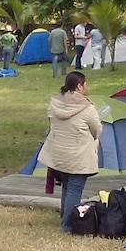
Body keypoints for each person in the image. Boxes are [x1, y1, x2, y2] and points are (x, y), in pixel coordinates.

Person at [38, 71, 102, 233]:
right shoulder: (87, 108)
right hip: (78, 155)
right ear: (80, 86)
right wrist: (93, 139)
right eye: (85, 83)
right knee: (74, 189)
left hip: (58, 153)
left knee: (67, 186)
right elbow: (96, 129)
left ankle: (64, 218)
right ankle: (68, 225)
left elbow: (51, 123)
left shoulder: (55, 103)